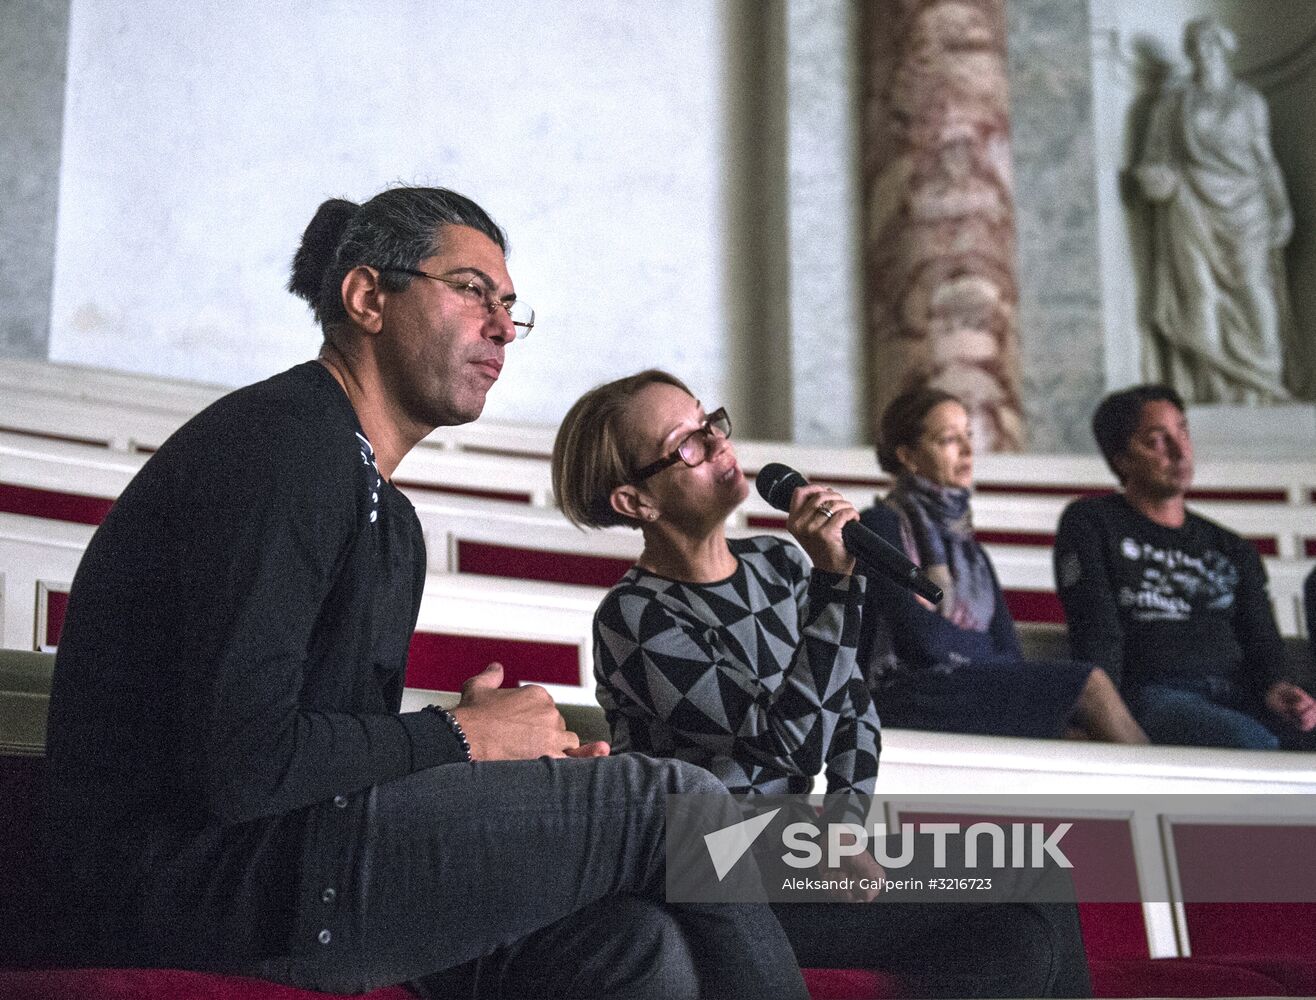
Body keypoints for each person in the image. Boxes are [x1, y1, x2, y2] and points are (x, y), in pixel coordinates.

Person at [40, 187, 809, 1000]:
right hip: (198, 887)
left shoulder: (389, 518)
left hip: (300, 861)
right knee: (677, 806)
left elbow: (318, 750)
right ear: (368, 297)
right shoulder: (282, 448)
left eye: (511, 306)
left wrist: (494, 759)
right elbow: (243, 765)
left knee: (637, 946)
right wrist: (459, 737)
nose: (504, 327)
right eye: (474, 290)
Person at [551, 370, 1093, 998]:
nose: (719, 444)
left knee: (1017, 938)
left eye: (710, 423)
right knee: (1032, 872)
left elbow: (854, 707)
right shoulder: (637, 617)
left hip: (797, 848)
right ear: (634, 501)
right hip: (716, 870)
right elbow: (787, 746)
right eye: (689, 444)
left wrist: (846, 818)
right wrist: (836, 585)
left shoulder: (779, 563)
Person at [856, 387, 1147, 744]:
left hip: (965, 686)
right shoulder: (880, 525)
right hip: (904, 690)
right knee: (1092, 683)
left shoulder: (970, 548)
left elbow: (1008, 648)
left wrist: (984, 658)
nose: (966, 451)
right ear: (909, 456)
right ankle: (1172, 799)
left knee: (1080, 739)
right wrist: (984, 655)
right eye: (949, 439)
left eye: (968, 436)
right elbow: (920, 638)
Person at [1054, 384, 1316, 749]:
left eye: (1182, 431)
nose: (1180, 451)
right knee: (1248, 743)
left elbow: (1261, 639)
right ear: (1122, 459)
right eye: (1157, 440)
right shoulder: (1092, 523)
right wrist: (1103, 721)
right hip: (1154, 695)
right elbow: (1096, 630)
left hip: (1241, 695)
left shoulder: (1231, 547)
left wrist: (1279, 687)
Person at [1136, 17, 1296, 403]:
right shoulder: (1173, 103)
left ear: (1225, 50)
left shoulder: (1249, 101)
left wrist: (1281, 208)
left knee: (1255, 290)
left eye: (1212, 44)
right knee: (1199, 295)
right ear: (1190, 53)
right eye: (1197, 45)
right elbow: (1154, 159)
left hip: (1247, 209)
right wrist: (1156, 178)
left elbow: (1265, 159)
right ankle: (1212, 390)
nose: (1205, 52)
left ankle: (1264, 382)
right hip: (1190, 205)